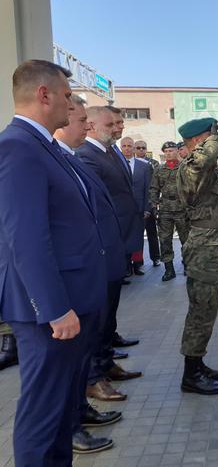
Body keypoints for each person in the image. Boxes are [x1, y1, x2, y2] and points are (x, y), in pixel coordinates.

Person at [0, 60, 107, 466]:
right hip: (51, 313)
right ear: (43, 95)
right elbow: (25, 238)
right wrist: (54, 308)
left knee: (62, 412)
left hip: (71, 305)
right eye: (65, 95)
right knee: (43, 416)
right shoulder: (17, 146)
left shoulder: (45, 146)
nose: (71, 103)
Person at [54, 94, 124, 453]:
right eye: (82, 121)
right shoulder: (47, 157)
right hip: (67, 284)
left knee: (83, 351)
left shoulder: (71, 160)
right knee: (63, 368)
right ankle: (70, 427)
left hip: (91, 269)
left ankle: (81, 411)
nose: (88, 127)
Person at [77, 106, 143, 384]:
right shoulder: (85, 156)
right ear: (91, 125)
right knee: (101, 314)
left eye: (120, 123)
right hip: (104, 245)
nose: (119, 128)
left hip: (119, 240)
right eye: (112, 123)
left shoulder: (109, 152)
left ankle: (107, 361)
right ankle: (97, 372)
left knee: (110, 309)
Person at [177, 118, 218, 395]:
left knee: (207, 310)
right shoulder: (192, 166)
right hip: (205, 249)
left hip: (215, 246)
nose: (215, 139)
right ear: (196, 141)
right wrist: (211, 140)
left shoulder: (205, 167)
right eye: (208, 136)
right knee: (201, 311)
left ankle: (197, 364)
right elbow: (205, 157)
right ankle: (191, 375)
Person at [149, 141, 190, 281]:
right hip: (165, 209)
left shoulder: (184, 168)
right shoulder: (159, 169)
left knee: (186, 240)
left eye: (171, 151)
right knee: (165, 240)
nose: (168, 153)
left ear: (177, 151)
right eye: (166, 151)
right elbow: (154, 189)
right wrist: (154, 206)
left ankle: (188, 266)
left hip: (182, 209)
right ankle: (169, 269)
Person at [120, 136, 153, 276]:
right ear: (121, 148)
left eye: (130, 146)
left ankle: (138, 265)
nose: (127, 149)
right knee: (124, 237)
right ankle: (126, 266)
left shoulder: (144, 166)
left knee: (138, 237)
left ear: (134, 148)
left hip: (139, 208)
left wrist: (147, 208)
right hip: (122, 209)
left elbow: (148, 188)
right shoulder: (117, 164)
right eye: (124, 146)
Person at [134, 140, 161, 267]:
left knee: (152, 233)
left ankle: (156, 257)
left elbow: (155, 184)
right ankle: (138, 262)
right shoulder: (129, 163)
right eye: (138, 148)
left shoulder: (154, 163)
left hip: (149, 202)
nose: (140, 150)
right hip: (135, 205)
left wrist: (153, 205)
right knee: (137, 235)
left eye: (143, 148)